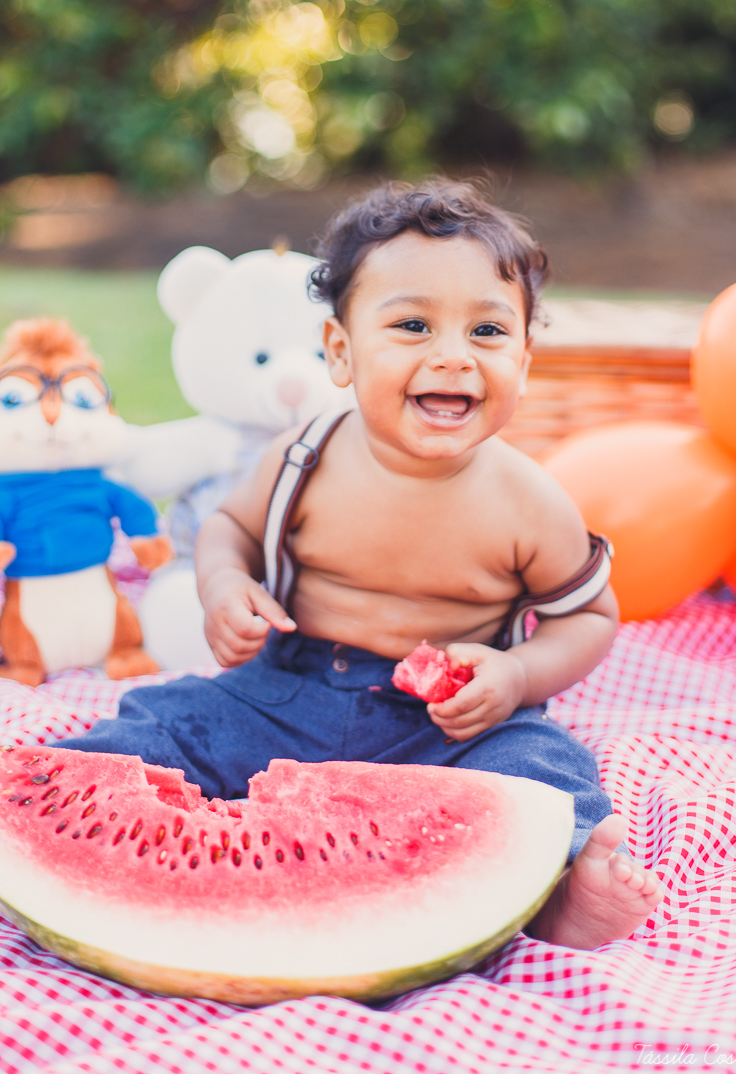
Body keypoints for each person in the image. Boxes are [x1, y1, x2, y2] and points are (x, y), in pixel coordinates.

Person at [55, 179, 663, 949]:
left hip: (444, 730)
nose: (453, 357)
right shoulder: (305, 454)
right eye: (413, 325)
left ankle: (556, 891)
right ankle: (58, 821)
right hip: (280, 691)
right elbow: (228, 530)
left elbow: (588, 616)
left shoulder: (529, 500)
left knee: (548, 768)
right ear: (340, 353)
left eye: (488, 332)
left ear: (525, 358)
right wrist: (224, 587)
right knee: (162, 721)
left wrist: (515, 678)